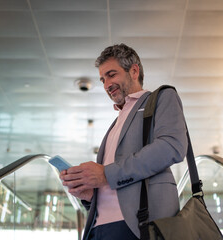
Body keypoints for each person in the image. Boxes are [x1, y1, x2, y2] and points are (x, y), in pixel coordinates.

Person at [60, 43, 188, 240]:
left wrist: (106, 174)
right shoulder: (115, 124)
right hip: (98, 228)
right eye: (102, 79)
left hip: (138, 225)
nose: (106, 85)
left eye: (111, 75)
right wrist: (91, 195)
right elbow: (114, 182)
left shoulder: (162, 97)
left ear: (134, 71)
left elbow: (172, 146)